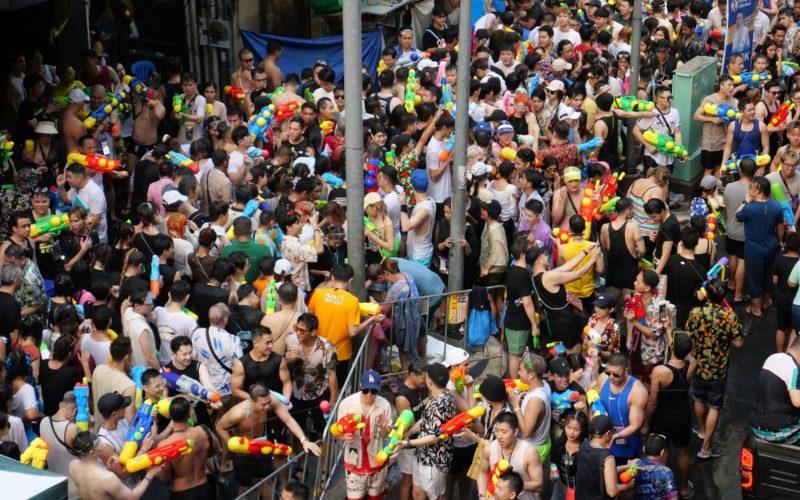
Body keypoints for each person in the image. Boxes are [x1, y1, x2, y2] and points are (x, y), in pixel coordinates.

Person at [215, 383, 321, 496]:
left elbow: (288, 420)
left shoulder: (272, 401)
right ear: (252, 401)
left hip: (262, 445)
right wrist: (233, 445)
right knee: (244, 485)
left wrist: (304, 440)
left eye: (268, 402)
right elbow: (219, 427)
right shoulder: (238, 413)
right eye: (263, 404)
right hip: (244, 450)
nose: (267, 407)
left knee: (267, 480)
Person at [686, 278, 744, 459]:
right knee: (714, 406)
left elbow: (689, 336)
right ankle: (705, 448)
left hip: (699, 365)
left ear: (707, 296)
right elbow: (739, 342)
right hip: (719, 369)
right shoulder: (729, 316)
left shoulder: (695, 313)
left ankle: (702, 429)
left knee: (698, 399)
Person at [308, 264, 382, 386]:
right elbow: (352, 331)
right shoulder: (352, 301)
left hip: (318, 350)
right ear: (350, 280)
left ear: (332, 277)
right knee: (340, 387)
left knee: (319, 386)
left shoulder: (318, 294)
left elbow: (310, 317)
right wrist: (371, 320)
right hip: (340, 354)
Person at [644, 332, 696, 499]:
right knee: (682, 452)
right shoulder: (692, 364)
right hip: (682, 415)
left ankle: (659, 489)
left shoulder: (659, 371)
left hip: (662, 417)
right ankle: (684, 488)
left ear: (672, 347)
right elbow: (691, 358)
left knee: (661, 451)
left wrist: (646, 422)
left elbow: (653, 401)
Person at [331, 370, 393, 500]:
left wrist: (383, 428)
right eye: (366, 391)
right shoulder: (346, 404)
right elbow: (338, 431)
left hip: (377, 462)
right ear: (360, 386)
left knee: (375, 498)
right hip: (354, 463)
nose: (369, 395)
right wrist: (343, 437)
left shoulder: (384, 405)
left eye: (374, 391)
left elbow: (387, 437)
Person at [531, 242, 602, 352]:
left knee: (565, 352)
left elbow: (567, 267)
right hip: (568, 322)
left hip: (557, 322)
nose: (547, 257)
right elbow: (578, 274)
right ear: (539, 260)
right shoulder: (549, 277)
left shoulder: (536, 277)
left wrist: (585, 252)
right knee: (573, 354)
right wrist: (593, 259)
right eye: (545, 255)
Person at [735, 176, 785, 318]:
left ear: (758, 191)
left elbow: (736, 217)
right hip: (771, 248)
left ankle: (756, 309)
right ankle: (766, 302)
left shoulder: (749, 208)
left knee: (754, 279)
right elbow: (780, 227)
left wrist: (745, 201)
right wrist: (780, 242)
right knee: (768, 276)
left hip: (753, 251)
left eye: (751, 187)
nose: (749, 189)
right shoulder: (776, 206)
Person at [284, 312, 338, 436]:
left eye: (302, 331)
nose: (297, 333)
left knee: (323, 430)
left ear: (313, 332)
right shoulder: (290, 340)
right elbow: (284, 366)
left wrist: (333, 399)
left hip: (319, 394)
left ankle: (322, 452)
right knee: (298, 431)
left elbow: (332, 374)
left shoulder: (327, 347)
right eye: (296, 328)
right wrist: (291, 359)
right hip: (297, 394)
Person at [69, 430, 162, 500]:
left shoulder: (73, 466)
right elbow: (132, 497)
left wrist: (108, 469)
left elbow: (93, 484)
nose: (101, 446)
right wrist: (150, 475)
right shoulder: (107, 478)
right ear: (92, 453)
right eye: (99, 444)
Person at [160, 397, 220, 499]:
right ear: (189, 414)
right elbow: (216, 449)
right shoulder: (203, 431)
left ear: (170, 416)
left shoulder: (165, 444)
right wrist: (200, 455)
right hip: (203, 486)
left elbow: (164, 476)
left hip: (181, 492)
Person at [593, 353, 647, 464]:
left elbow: (636, 425)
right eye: (608, 372)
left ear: (626, 371)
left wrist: (615, 436)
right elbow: (593, 395)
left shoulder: (637, 390)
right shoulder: (603, 378)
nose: (611, 377)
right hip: (602, 442)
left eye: (616, 374)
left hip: (626, 446)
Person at [477, 412, 543, 499]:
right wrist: (482, 495)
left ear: (515, 432)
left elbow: (538, 485)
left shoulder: (529, 452)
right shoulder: (489, 449)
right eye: (496, 430)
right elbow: (483, 473)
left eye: (504, 432)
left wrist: (511, 486)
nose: (499, 436)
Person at [750, 333, 800, 444]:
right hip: (779, 431)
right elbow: (797, 402)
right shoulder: (793, 369)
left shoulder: (772, 358)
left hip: (756, 426)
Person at [191, 303, 243, 406]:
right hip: (225, 390)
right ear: (225, 319)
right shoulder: (232, 340)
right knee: (225, 419)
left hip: (203, 388)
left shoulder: (197, 333)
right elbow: (239, 367)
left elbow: (194, 357)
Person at [574, 414, 634, 499]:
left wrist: (628, 466)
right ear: (608, 434)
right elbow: (612, 492)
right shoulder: (607, 456)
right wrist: (628, 485)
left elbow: (603, 472)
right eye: (613, 432)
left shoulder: (584, 445)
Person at [504, 240, 540, 378]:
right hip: (517, 322)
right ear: (523, 255)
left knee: (517, 353)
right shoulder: (522, 274)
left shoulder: (513, 270)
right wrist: (534, 325)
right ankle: (514, 384)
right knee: (515, 355)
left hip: (513, 318)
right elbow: (527, 302)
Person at [92, 338, 136, 429]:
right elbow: (129, 422)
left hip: (99, 430)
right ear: (126, 357)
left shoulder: (98, 369)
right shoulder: (129, 385)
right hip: (116, 437)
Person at [39, 390, 80, 476]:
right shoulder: (72, 429)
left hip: (53, 478)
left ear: (60, 404)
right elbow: (90, 453)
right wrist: (91, 427)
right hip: (71, 483)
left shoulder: (43, 422)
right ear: (75, 411)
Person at [632, 434, 679, 499]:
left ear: (643, 449)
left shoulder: (635, 466)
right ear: (662, 452)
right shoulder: (666, 471)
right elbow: (672, 495)